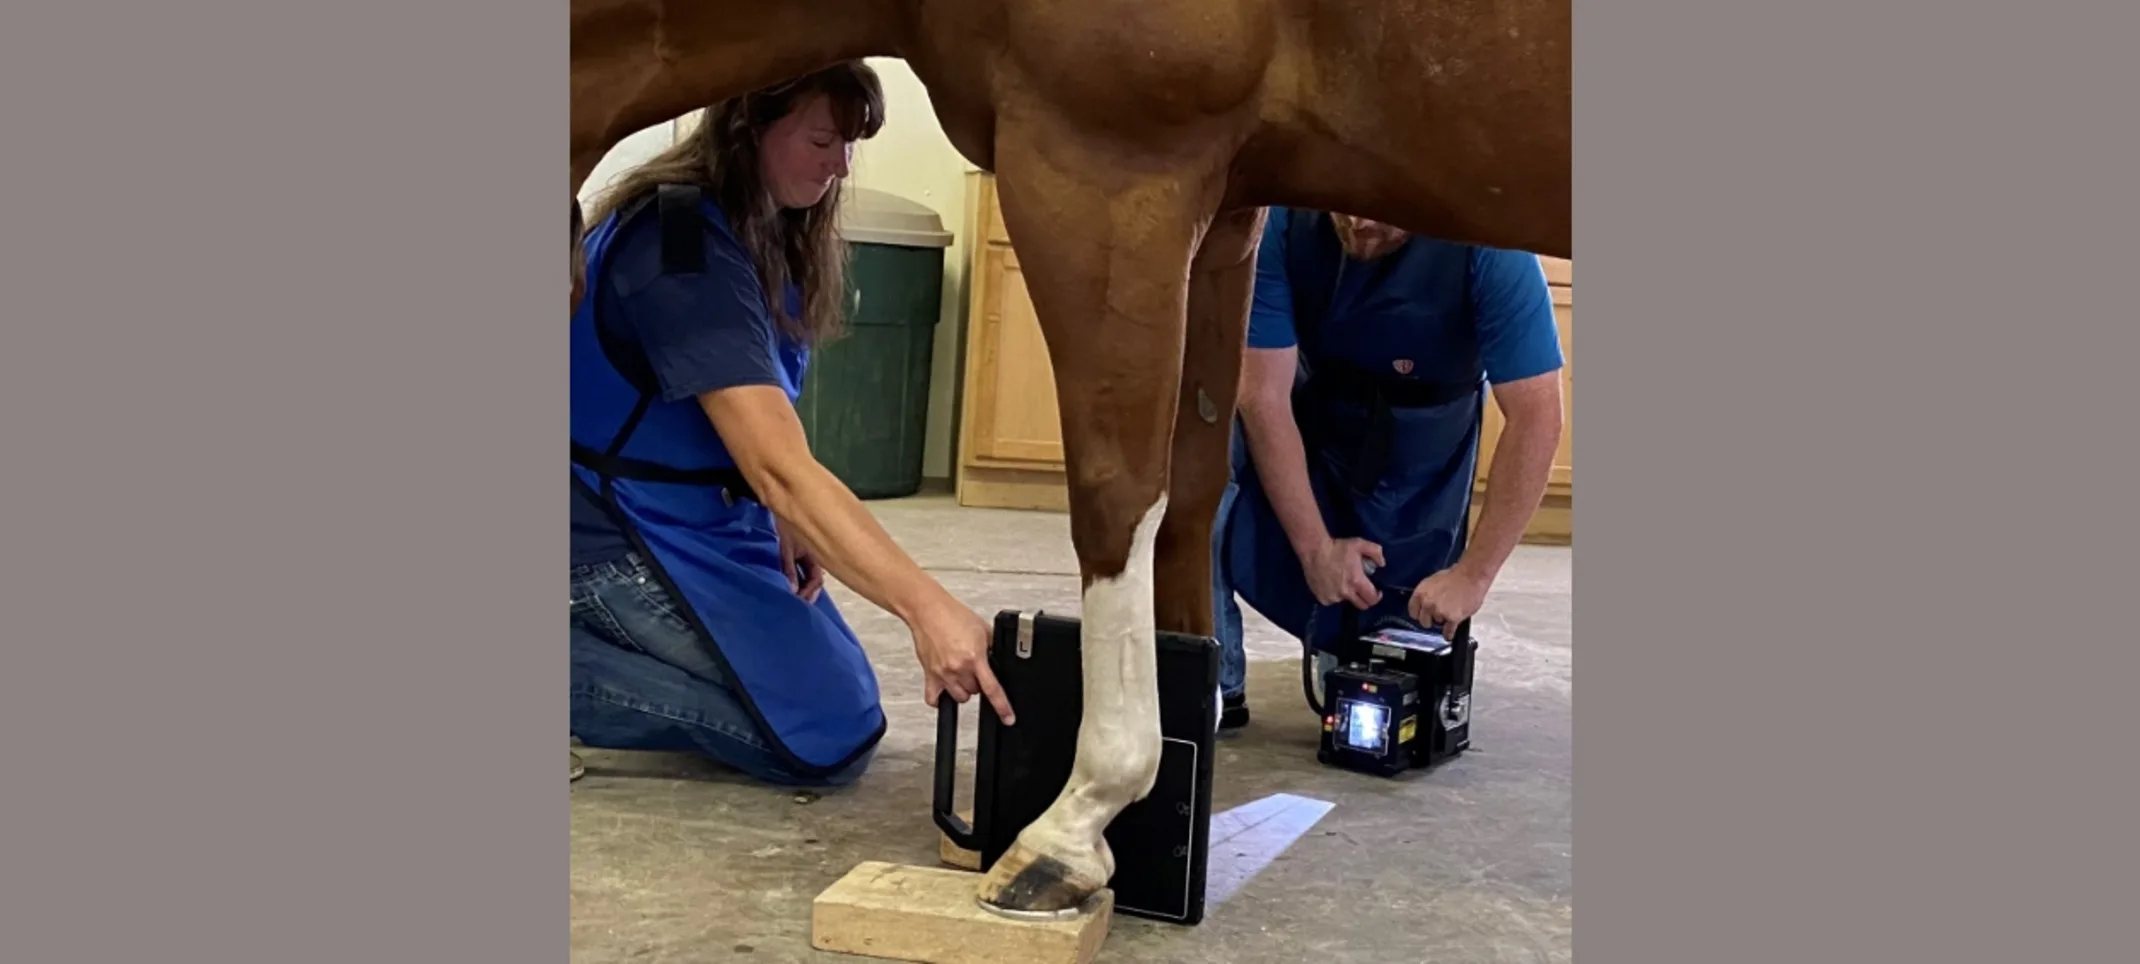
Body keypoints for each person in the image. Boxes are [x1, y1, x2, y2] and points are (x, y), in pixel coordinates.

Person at [568, 62, 1016, 786]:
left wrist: (786, 517)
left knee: (839, 701)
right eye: (820, 141)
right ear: (749, 129)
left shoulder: (758, 228)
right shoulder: (678, 245)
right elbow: (778, 465)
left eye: (849, 146)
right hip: (608, 530)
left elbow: (759, 423)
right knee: (826, 733)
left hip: (698, 513)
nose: (839, 167)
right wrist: (927, 609)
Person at [1211, 208, 1565, 729]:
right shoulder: (1280, 223)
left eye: (1381, 211)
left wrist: (1474, 575)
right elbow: (1262, 395)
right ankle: (1215, 685)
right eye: (1340, 205)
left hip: (1424, 442)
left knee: (1379, 657)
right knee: (1197, 454)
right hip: (1316, 413)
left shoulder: (1491, 244)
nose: (1357, 222)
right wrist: (1315, 549)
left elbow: (1537, 415)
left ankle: (1356, 648)